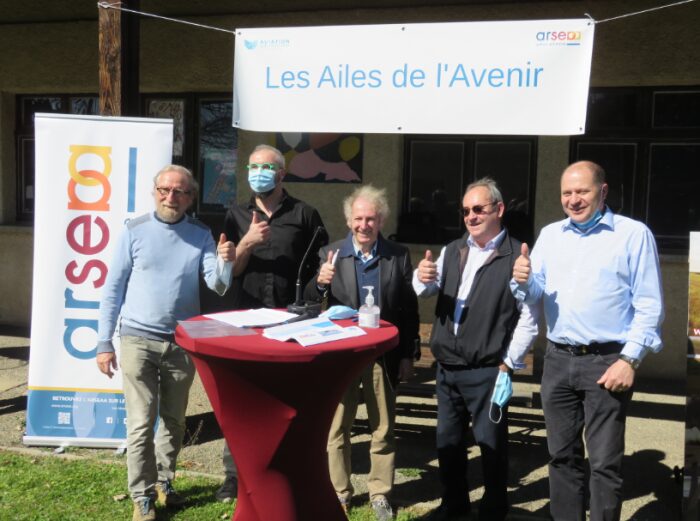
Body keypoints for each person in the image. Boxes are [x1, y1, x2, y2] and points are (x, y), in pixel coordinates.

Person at [510, 161, 664, 521]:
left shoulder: (633, 235)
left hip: (607, 363)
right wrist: (522, 280)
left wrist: (630, 360)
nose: (573, 199)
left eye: (582, 191)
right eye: (567, 192)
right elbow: (535, 294)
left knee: (605, 464)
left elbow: (650, 305)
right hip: (557, 360)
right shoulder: (551, 235)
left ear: (603, 191)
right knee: (561, 457)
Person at [96, 165, 236, 521]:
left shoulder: (201, 234)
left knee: (173, 421)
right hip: (137, 340)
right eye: (164, 189)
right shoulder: (134, 230)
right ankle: (141, 496)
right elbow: (113, 289)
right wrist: (103, 342)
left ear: (191, 197)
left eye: (179, 191)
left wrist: (225, 263)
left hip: (180, 343)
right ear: (154, 191)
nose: (170, 197)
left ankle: (164, 481)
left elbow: (218, 285)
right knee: (141, 424)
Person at [413, 177, 538, 521]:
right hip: (448, 367)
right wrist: (422, 276)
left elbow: (529, 317)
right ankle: (454, 504)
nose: (471, 216)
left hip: (487, 370)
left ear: (499, 209)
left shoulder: (516, 255)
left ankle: (493, 510)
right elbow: (426, 289)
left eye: (479, 209)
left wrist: (508, 364)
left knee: (491, 446)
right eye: (466, 210)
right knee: (448, 443)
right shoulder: (453, 250)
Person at [215, 143, 327, 501]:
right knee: (243, 400)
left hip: (291, 322)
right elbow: (230, 272)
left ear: (281, 174)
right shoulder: (235, 214)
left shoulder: (305, 214)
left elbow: (318, 269)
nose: (257, 173)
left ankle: (285, 468)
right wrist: (247, 243)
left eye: (265, 167)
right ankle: (234, 475)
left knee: (289, 400)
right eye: (252, 167)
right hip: (246, 321)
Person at [305, 185, 419, 521]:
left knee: (382, 427)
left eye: (371, 219)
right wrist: (320, 282)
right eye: (358, 219)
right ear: (348, 220)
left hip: (382, 356)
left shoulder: (398, 255)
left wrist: (408, 354)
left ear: (381, 220)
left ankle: (380, 493)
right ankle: (339, 492)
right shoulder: (331, 253)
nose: (364, 225)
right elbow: (309, 302)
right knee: (337, 428)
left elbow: (409, 309)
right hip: (342, 357)